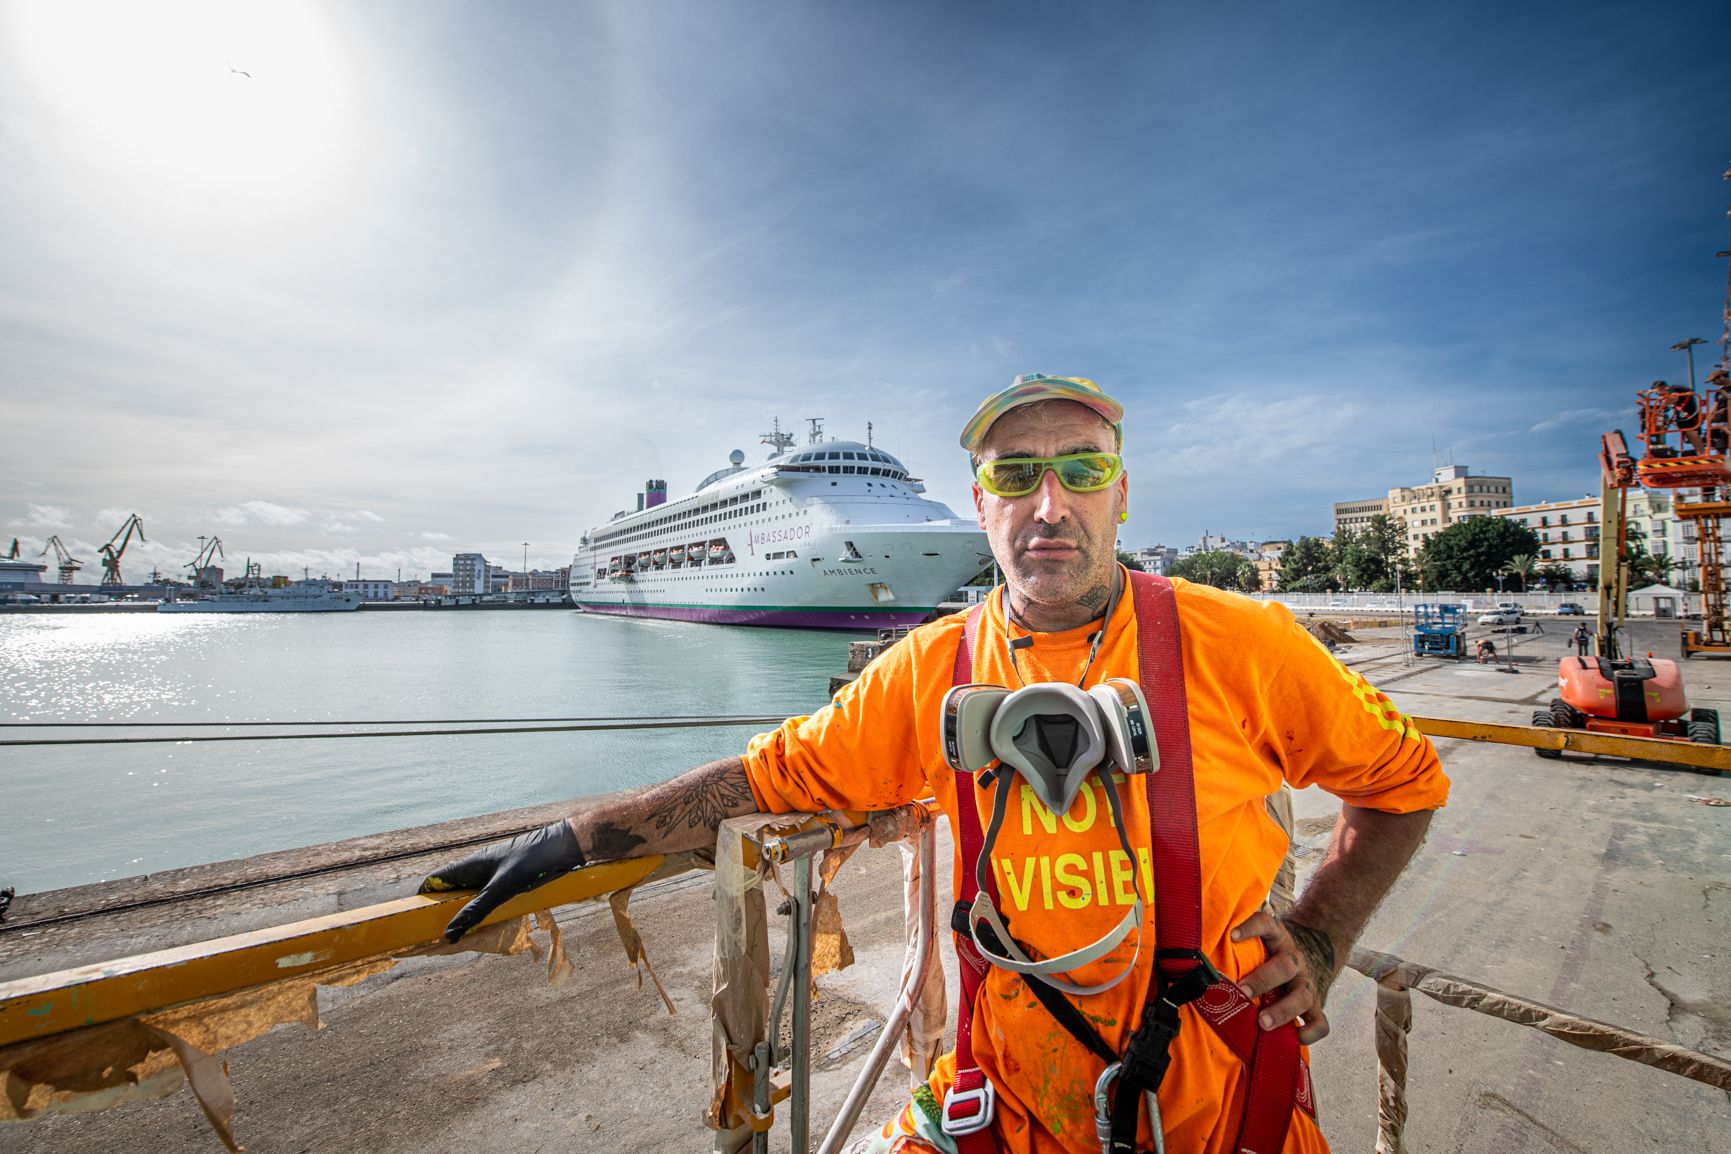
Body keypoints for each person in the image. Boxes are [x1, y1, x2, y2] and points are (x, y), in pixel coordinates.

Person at [421, 374, 1449, 1154]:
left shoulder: (1246, 643)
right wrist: (582, 836)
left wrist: (1320, 935)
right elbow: (768, 779)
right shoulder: (933, 666)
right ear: (981, 500)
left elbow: (1405, 784)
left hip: (1224, 1112)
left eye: (1081, 468)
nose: (1049, 501)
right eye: (1015, 474)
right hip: (1007, 1106)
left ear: (1121, 493)